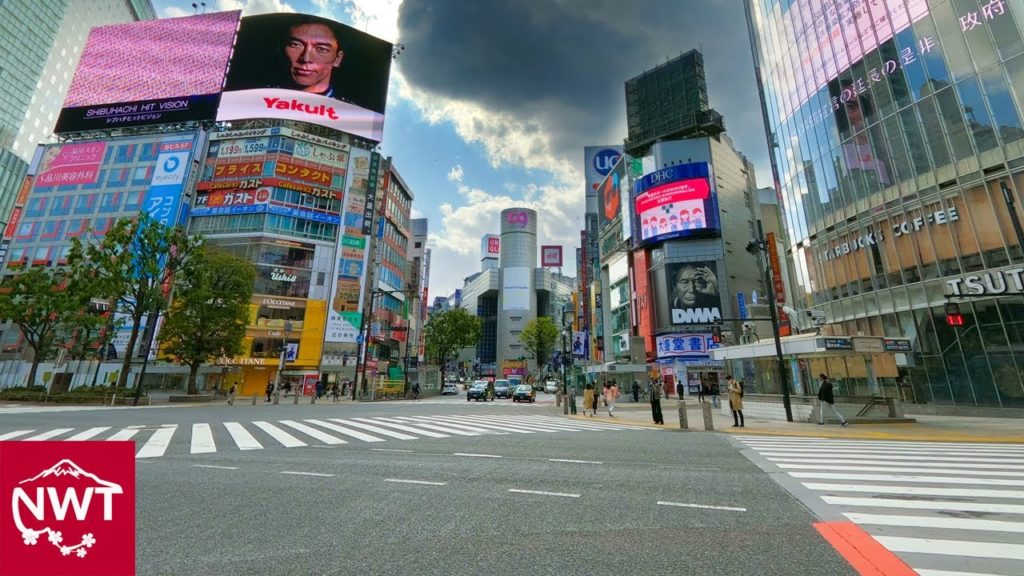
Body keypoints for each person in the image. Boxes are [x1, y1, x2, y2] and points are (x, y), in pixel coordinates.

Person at [282, 18, 344, 96]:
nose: (306, 58)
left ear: (338, 59)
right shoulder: (263, 95)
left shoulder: (347, 107)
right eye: (296, 45)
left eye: (322, 49)